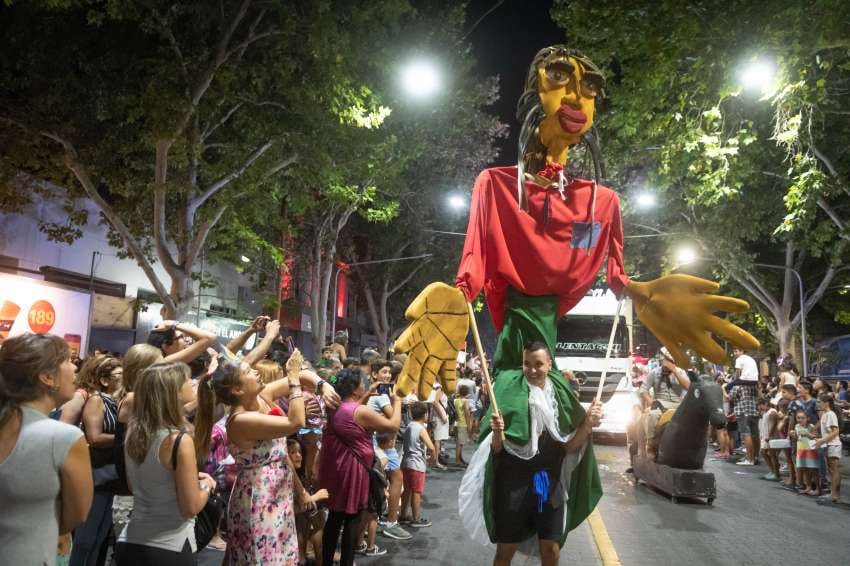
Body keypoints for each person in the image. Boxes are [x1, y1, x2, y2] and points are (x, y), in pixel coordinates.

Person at [465, 342, 602, 566]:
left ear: (549, 364)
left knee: (551, 550)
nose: (532, 369)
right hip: (514, 483)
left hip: (547, 481)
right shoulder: (508, 394)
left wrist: (587, 424)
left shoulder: (560, 397)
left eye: (538, 364)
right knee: (505, 551)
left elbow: (568, 447)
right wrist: (498, 432)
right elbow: (497, 449)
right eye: (526, 364)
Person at [194, 348, 311, 566]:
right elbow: (296, 422)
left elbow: (304, 376)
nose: (256, 372)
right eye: (249, 371)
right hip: (260, 498)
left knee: (278, 557)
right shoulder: (240, 420)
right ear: (237, 390)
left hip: (276, 493)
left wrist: (322, 384)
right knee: (262, 558)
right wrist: (293, 379)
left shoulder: (262, 397)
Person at [0, 333, 94, 566]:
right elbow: (76, 515)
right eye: (68, 360)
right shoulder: (63, 438)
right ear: (47, 377)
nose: (74, 368)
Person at [115, 361, 215, 565]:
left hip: (131, 541)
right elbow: (191, 506)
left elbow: (136, 486)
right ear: (175, 392)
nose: (192, 383)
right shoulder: (178, 440)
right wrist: (206, 486)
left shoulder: (134, 434)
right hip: (169, 547)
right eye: (187, 380)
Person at [319, 368, 402, 566]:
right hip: (353, 470)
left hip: (337, 466)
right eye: (362, 382)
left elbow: (353, 412)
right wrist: (397, 401)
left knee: (335, 518)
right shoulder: (360, 411)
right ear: (355, 388)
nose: (365, 383)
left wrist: (365, 395)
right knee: (352, 520)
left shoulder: (336, 406)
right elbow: (393, 426)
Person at [70, 356, 124, 566]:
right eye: (119, 375)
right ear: (104, 379)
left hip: (110, 477)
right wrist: (126, 438)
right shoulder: (97, 400)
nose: (124, 379)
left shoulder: (119, 402)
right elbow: (94, 437)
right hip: (95, 477)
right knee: (85, 540)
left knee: (98, 540)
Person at [363, 359, 409, 542]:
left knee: (388, 481)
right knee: (392, 479)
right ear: (374, 374)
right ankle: (389, 522)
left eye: (389, 373)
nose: (387, 375)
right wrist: (397, 401)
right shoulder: (381, 395)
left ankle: (384, 521)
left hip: (381, 442)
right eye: (384, 372)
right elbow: (393, 419)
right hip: (378, 443)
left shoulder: (374, 392)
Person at [635, 349, 690, 459]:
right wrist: (650, 401)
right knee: (652, 415)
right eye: (666, 360)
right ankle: (650, 444)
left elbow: (688, 387)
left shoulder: (681, 372)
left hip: (678, 403)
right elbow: (643, 389)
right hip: (660, 403)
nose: (667, 363)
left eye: (670, 361)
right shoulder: (654, 372)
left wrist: (674, 371)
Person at [287, 438, 329, 566]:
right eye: (292, 452)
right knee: (313, 519)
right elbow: (290, 509)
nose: (298, 455)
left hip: (300, 530)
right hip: (289, 536)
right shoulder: (285, 478)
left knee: (316, 519)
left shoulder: (299, 476)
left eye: (299, 452)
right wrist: (315, 497)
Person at [399, 401, 437, 528]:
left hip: (406, 462)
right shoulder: (421, 429)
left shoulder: (409, 425)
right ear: (425, 415)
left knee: (407, 490)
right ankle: (416, 518)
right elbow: (431, 447)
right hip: (416, 464)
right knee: (416, 491)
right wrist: (433, 459)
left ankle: (403, 515)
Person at [813, 393, 842, 503]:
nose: (818, 405)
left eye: (820, 402)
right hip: (829, 444)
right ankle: (834, 494)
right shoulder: (825, 414)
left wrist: (822, 441)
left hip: (833, 444)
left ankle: (834, 495)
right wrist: (819, 439)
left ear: (826, 403)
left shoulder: (830, 414)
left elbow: (836, 431)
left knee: (834, 470)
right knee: (831, 470)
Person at [146, 320, 217, 363]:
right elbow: (209, 337)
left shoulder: (162, 364)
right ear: (165, 346)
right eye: (182, 337)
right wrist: (173, 324)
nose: (187, 341)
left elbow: (209, 342)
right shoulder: (164, 364)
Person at [729, 377, 760, 466]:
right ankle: (755, 457)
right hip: (754, 411)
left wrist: (723, 388)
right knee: (755, 434)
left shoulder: (737, 385)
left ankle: (750, 459)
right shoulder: (754, 385)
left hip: (743, 412)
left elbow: (729, 397)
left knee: (746, 435)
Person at [794, 409, 820, 495]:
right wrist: (793, 435)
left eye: (802, 418)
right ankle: (808, 487)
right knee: (805, 469)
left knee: (813, 470)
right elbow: (797, 438)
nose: (800, 420)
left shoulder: (811, 426)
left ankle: (818, 489)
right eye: (798, 418)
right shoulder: (797, 426)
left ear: (807, 418)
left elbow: (817, 437)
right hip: (801, 450)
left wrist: (807, 434)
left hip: (810, 451)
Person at [427, 382, 450, 470]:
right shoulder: (439, 389)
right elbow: (435, 403)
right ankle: (435, 462)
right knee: (437, 441)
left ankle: (434, 461)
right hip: (439, 418)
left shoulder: (438, 389)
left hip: (438, 417)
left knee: (437, 440)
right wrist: (442, 417)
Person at [757, 398, 780, 481]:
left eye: (760, 406)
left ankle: (776, 473)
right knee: (765, 453)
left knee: (772, 455)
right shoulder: (766, 412)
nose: (760, 408)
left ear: (765, 404)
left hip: (771, 437)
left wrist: (769, 436)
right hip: (766, 436)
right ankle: (772, 471)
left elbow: (773, 425)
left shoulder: (772, 412)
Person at [454, 384, 473, 466]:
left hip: (456, 422)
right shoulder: (465, 401)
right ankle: (457, 460)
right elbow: (467, 414)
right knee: (460, 443)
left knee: (458, 442)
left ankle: (460, 458)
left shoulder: (456, 400)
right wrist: (469, 426)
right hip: (463, 423)